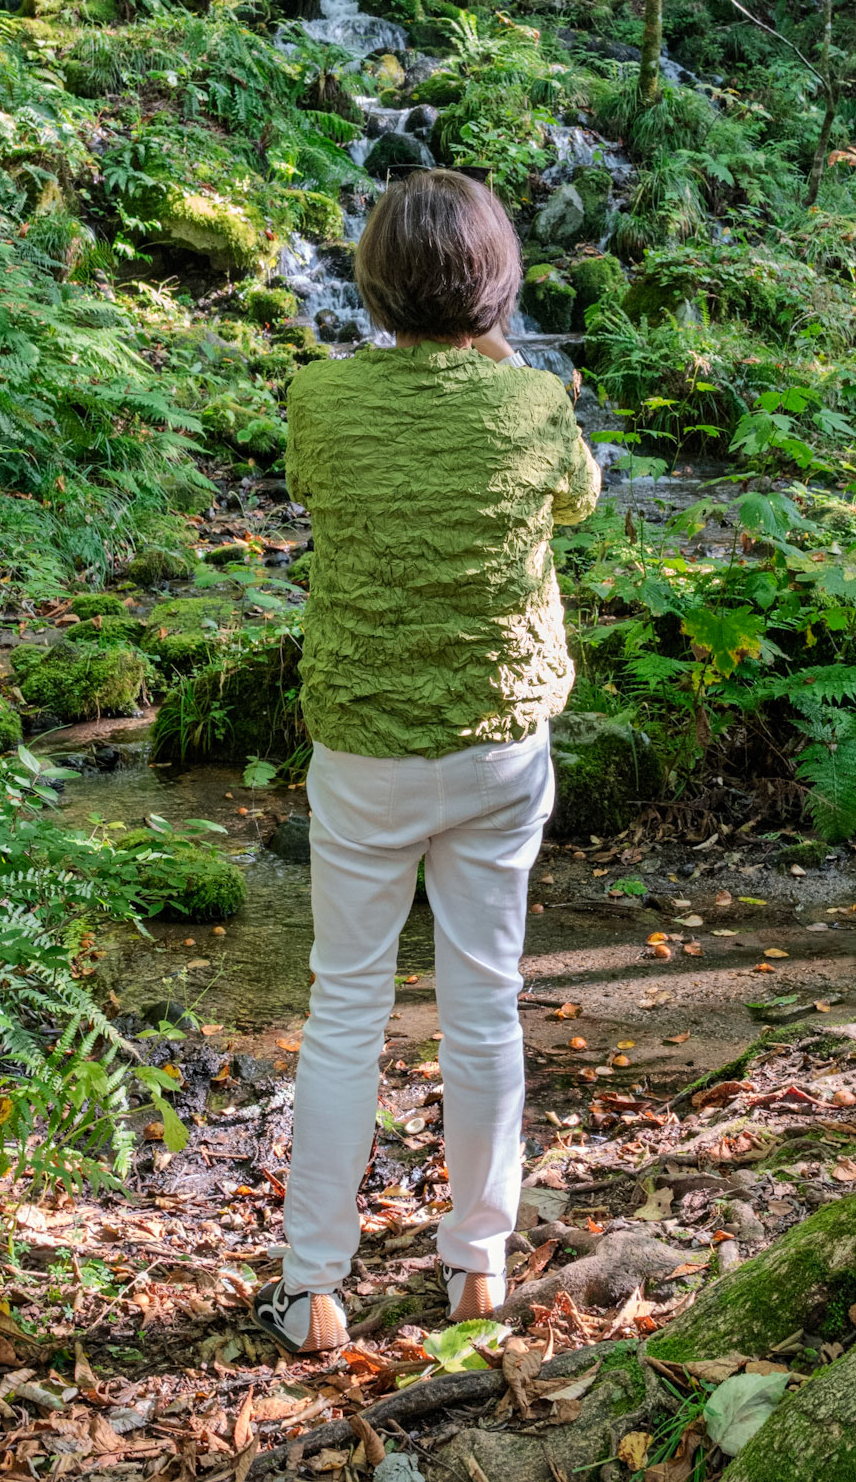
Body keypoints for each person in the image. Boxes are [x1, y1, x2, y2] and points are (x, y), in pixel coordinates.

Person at [253, 168, 601, 1354]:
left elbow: (313, 488)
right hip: (499, 741)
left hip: (364, 743)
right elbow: (580, 497)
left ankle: (312, 1287)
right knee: (484, 1004)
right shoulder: (535, 401)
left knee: (345, 1007)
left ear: (374, 282)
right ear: (495, 283)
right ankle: (477, 1266)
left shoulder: (319, 398)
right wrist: (505, 365)